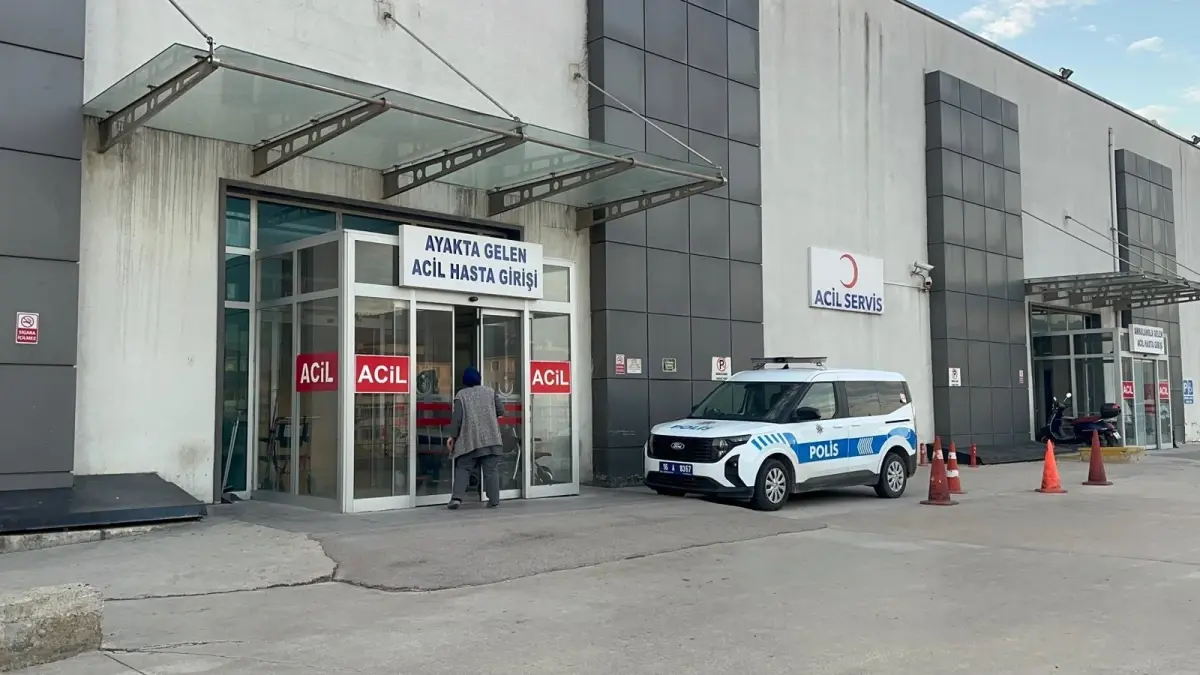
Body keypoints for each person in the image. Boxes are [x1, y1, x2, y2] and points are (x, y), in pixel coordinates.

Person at [446, 366, 505, 510]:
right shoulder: (490, 392)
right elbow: (501, 410)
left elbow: (457, 418)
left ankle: (456, 499)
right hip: (491, 439)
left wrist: (452, 436)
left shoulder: (461, 395)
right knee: (491, 470)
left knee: (463, 467)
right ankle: (494, 501)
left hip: (470, 440)